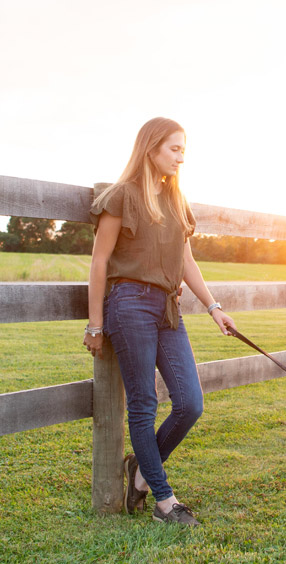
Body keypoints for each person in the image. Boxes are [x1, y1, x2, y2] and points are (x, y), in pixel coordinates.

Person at [83, 117, 235, 527]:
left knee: (190, 404)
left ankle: (140, 471)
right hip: (128, 304)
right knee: (144, 404)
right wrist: (95, 324)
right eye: (174, 149)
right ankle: (165, 502)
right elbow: (99, 262)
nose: (181, 157)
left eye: (184, 150)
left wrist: (212, 306)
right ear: (151, 148)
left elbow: (186, 261)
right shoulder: (122, 197)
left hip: (169, 308)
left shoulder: (176, 201)